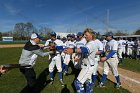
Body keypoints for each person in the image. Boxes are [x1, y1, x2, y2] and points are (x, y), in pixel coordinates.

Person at [65, 28, 98, 93]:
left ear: (91, 35)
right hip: (87, 65)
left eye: (86, 35)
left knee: (78, 83)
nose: (84, 36)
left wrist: (73, 50)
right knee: (88, 83)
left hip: (88, 67)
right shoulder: (88, 43)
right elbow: (85, 52)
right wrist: (79, 58)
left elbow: (85, 50)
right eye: (84, 35)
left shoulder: (91, 43)